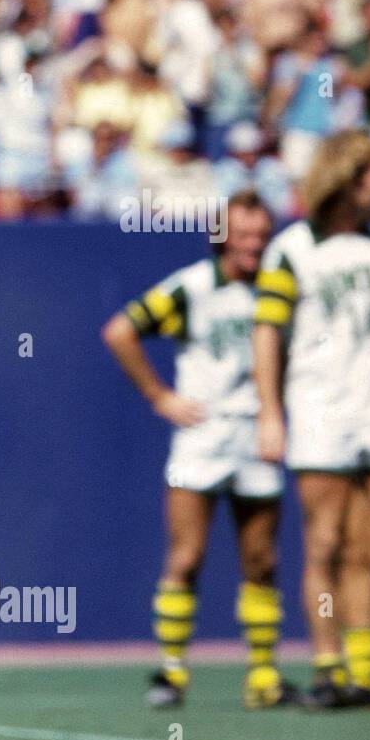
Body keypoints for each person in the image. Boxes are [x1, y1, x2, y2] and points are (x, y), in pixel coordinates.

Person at [102, 191, 292, 709]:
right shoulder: (193, 287)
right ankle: (172, 672)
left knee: (262, 558)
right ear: (223, 236)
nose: (254, 243)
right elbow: (121, 331)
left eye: (261, 233)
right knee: (186, 556)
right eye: (244, 233)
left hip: (257, 433)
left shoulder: (279, 288)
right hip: (203, 438)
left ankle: (262, 676)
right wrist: (159, 395)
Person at [252, 130, 370, 709]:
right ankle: (328, 666)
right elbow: (266, 334)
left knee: (368, 551)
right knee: (323, 545)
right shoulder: (294, 248)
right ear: (349, 178)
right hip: (321, 411)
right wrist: (271, 413)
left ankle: (367, 670)